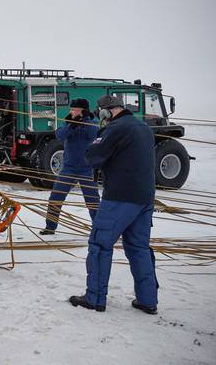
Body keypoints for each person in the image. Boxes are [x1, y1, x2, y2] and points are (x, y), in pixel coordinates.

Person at [69, 95, 159, 314]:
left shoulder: (115, 128)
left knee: (100, 245)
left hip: (119, 197)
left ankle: (95, 298)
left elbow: (92, 156)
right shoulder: (143, 127)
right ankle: (148, 300)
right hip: (144, 198)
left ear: (106, 112)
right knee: (139, 248)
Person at [39, 98, 100, 235]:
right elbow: (59, 135)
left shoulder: (93, 123)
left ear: (83, 111)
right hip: (69, 168)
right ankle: (50, 226)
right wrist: (71, 125)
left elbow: (93, 133)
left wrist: (83, 122)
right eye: (71, 109)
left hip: (87, 169)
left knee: (93, 200)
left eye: (75, 110)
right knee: (55, 197)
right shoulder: (68, 122)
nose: (72, 112)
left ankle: (98, 229)